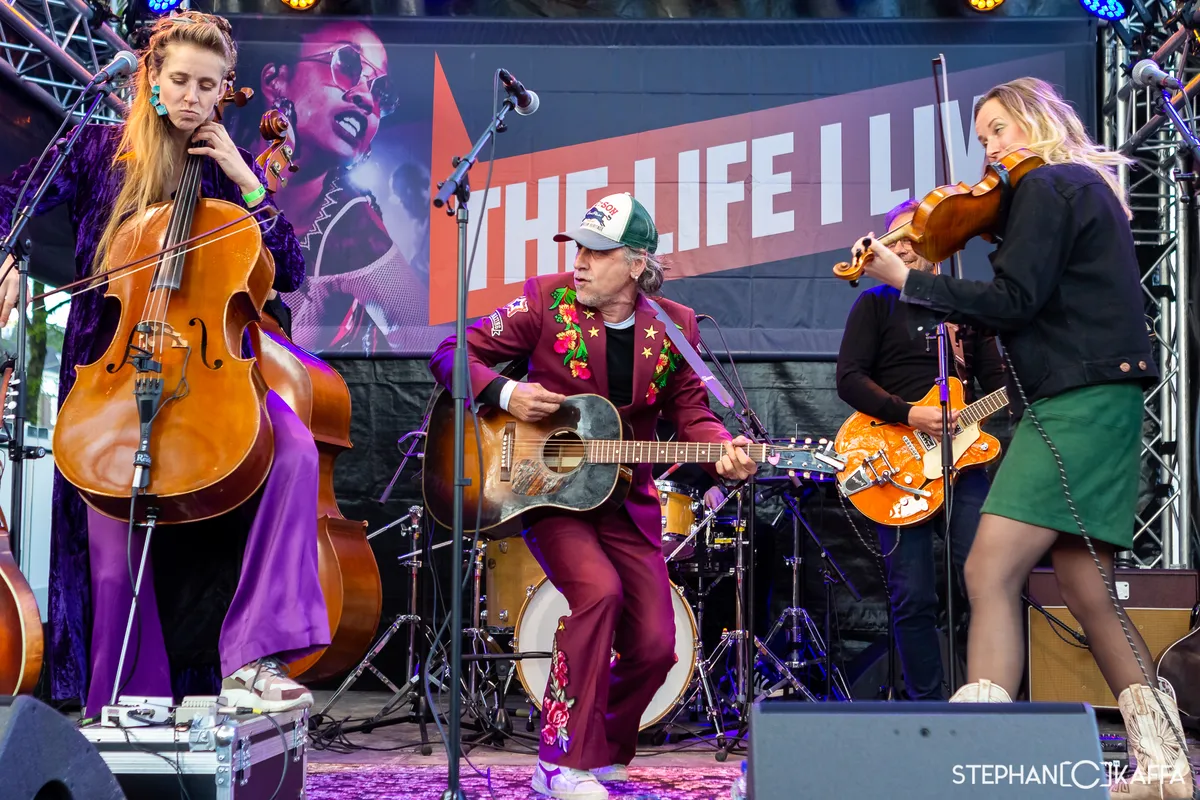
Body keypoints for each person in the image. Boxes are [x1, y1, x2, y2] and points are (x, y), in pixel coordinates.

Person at [853, 77, 1193, 797]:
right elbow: (1033, 299)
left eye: (999, 129)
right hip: (1092, 396)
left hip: (1075, 403)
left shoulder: (1048, 186)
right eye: (982, 139)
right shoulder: (1076, 190)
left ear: (1038, 122)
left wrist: (909, 279)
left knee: (988, 570)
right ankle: (1164, 764)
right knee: (1088, 589)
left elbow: (1014, 300)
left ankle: (975, 763)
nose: (990, 150)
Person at [0, 10, 328, 717]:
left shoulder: (227, 170)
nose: (191, 97)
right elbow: (10, 200)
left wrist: (244, 176)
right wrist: (7, 259)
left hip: (209, 376)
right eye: (179, 80)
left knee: (296, 449)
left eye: (208, 86)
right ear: (151, 77)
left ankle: (255, 656)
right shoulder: (96, 150)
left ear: (224, 90)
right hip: (111, 371)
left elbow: (291, 268)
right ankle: (124, 705)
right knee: (109, 546)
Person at [429, 192, 757, 800]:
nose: (579, 262)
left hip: (626, 501)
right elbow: (451, 352)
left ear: (636, 263)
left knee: (656, 646)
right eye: (577, 248)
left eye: (596, 252)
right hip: (546, 493)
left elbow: (693, 413)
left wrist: (721, 450)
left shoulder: (676, 326)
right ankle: (559, 761)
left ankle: (600, 746)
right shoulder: (544, 300)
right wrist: (506, 394)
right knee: (598, 593)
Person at [835, 197, 1008, 701]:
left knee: (988, 579)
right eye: (896, 240)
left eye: (915, 237)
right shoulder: (874, 304)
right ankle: (926, 708)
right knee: (913, 595)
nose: (905, 247)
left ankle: (989, 698)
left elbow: (1001, 383)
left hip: (963, 464)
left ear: (939, 243)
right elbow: (849, 379)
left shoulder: (964, 308)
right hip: (897, 463)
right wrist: (909, 414)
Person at [253, 20, 426, 356]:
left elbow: (431, 345)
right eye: (347, 64)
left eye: (381, 92)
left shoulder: (356, 230)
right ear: (276, 80)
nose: (367, 98)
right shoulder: (212, 172)